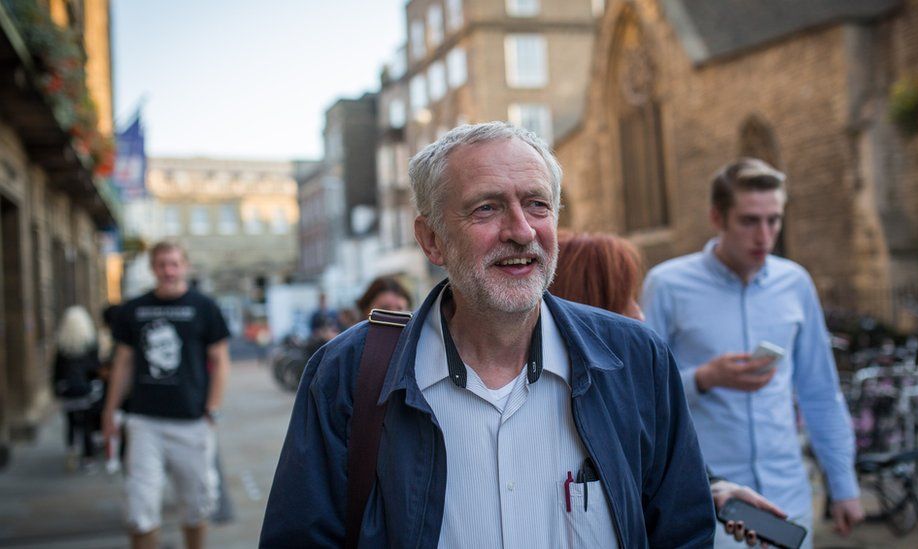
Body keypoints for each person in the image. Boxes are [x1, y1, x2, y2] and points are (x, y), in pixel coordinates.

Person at [261, 122, 714, 547]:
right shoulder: (348, 373)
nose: (521, 231)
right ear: (432, 239)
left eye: (537, 204)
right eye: (487, 208)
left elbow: (682, 531)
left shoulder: (636, 360)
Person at [641, 158, 864, 548]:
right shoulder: (668, 285)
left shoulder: (795, 283)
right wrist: (704, 379)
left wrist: (843, 484)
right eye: (749, 221)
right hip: (710, 502)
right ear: (717, 217)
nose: (765, 235)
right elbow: (643, 396)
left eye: (773, 220)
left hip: (787, 495)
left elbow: (820, 391)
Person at [551, 231, 788, 546]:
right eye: (623, 299)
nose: (638, 313)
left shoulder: (632, 389)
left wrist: (714, 487)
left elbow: (660, 472)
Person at [102, 241, 231, 549]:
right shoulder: (133, 309)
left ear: (184, 265)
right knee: (139, 508)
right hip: (144, 421)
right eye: (161, 264)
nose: (168, 271)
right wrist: (110, 411)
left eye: (174, 264)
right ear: (152, 268)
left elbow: (221, 361)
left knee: (196, 505)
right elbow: (123, 363)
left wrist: (212, 409)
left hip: (191, 421)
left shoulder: (204, 307)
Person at [52, 305, 103, 470]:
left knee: (71, 423)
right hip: (85, 389)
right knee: (86, 423)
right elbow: (95, 367)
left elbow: (57, 370)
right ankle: (88, 458)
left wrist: (55, 390)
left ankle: (71, 451)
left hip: (68, 391)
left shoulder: (62, 344)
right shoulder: (90, 343)